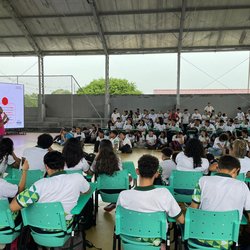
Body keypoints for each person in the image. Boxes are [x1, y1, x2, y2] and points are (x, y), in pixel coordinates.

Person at [117, 154, 184, 249]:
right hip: (154, 243)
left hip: (128, 240)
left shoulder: (123, 195)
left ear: (137, 171)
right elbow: (181, 219)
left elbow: (119, 217)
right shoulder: (164, 194)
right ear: (157, 174)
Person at [10, 151, 90, 223]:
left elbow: (13, 207)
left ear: (46, 167)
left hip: (39, 226)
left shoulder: (39, 185)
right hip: (63, 226)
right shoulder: (77, 178)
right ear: (64, 164)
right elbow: (86, 191)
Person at [190, 155, 250, 249]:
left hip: (199, 238)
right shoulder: (242, 186)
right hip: (226, 242)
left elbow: (193, 209)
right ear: (235, 170)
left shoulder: (202, 181)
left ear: (217, 168)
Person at [90, 139, 122, 212]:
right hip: (118, 190)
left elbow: (91, 173)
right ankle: (115, 202)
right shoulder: (117, 159)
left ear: (99, 148)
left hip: (103, 190)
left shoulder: (97, 160)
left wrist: (95, 158)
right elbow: (120, 173)